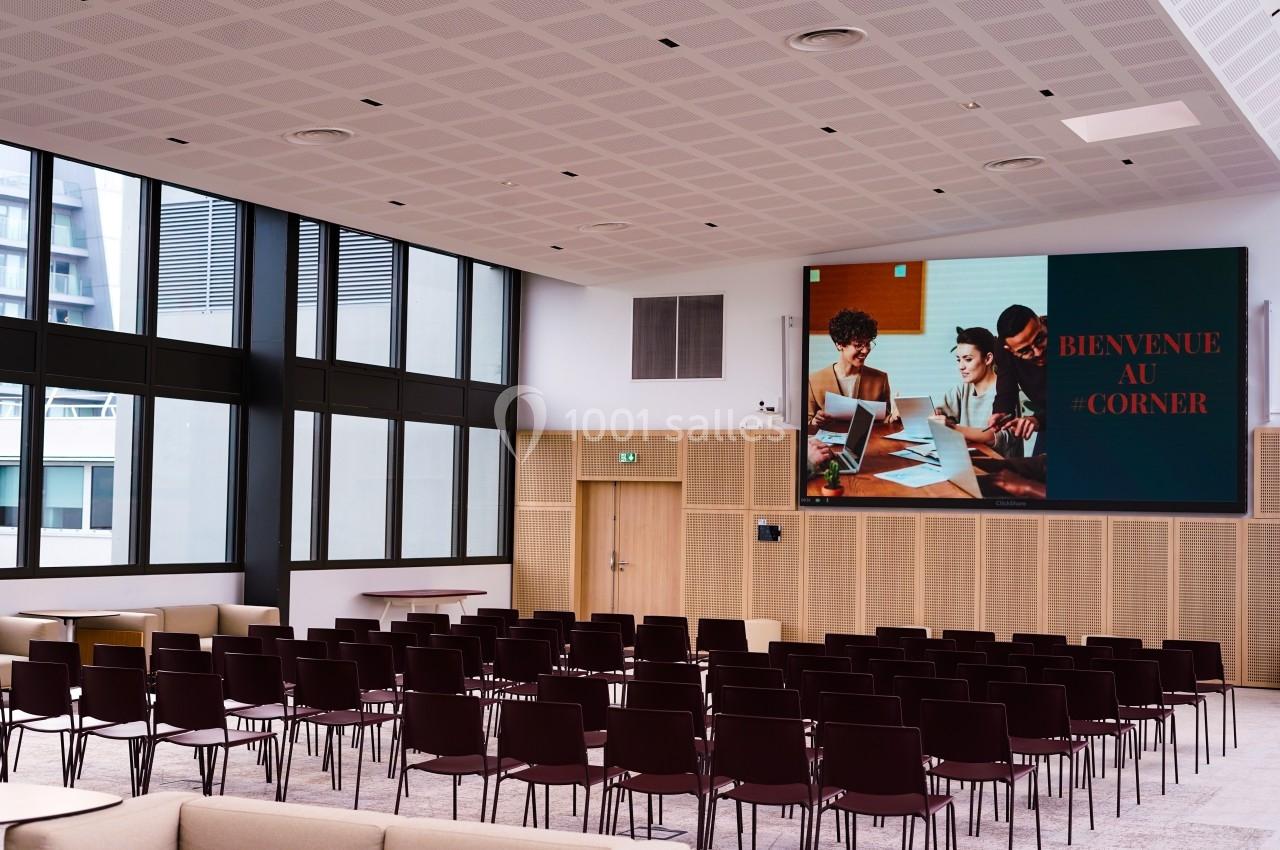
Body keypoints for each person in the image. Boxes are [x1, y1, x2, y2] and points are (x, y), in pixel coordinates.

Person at [937, 326, 1021, 458]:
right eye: (959, 360)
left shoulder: (1006, 391)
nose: (961, 366)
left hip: (1002, 469)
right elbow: (939, 415)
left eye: (968, 359)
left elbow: (998, 437)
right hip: (970, 463)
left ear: (988, 359)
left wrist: (953, 429)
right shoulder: (962, 389)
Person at [807, 309, 891, 429]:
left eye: (867, 343)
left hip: (869, 445)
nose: (865, 350)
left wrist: (893, 418)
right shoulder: (813, 381)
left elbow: (885, 421)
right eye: (858, 345)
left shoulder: (880, 379)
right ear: (839, 344)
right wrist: (815, 422)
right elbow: (807, 425)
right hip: (828, 446)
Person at [987, 304, 1047, 455]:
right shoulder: (1002, 349)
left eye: (1040, 339)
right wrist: (1002, 412)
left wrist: (1038, 420)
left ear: (1041, 322)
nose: (1038, 352)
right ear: (1010, 350)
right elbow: (1006, 390)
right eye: (1025, 350)